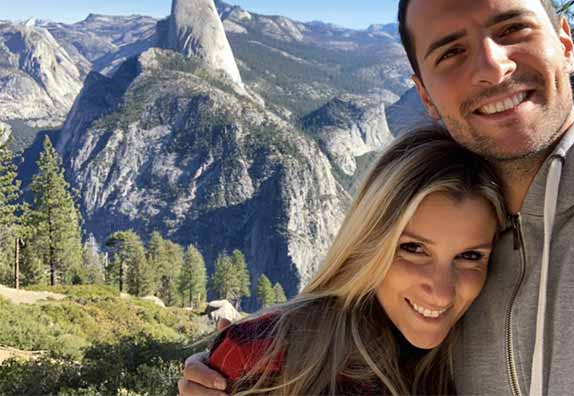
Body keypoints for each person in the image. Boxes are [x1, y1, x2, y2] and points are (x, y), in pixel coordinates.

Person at [180, 0, 574, 396]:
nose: (491, 66)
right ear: (426, 97)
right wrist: (246, 355)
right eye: (452, 52)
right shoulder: (422, 321)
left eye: (512, 30)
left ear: (566, 44)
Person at [179, 126, 507, 395]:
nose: (442, 292)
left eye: (470, 256)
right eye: (413, 249)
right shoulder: (261, 358)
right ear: (369, 242)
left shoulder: (486, 358)